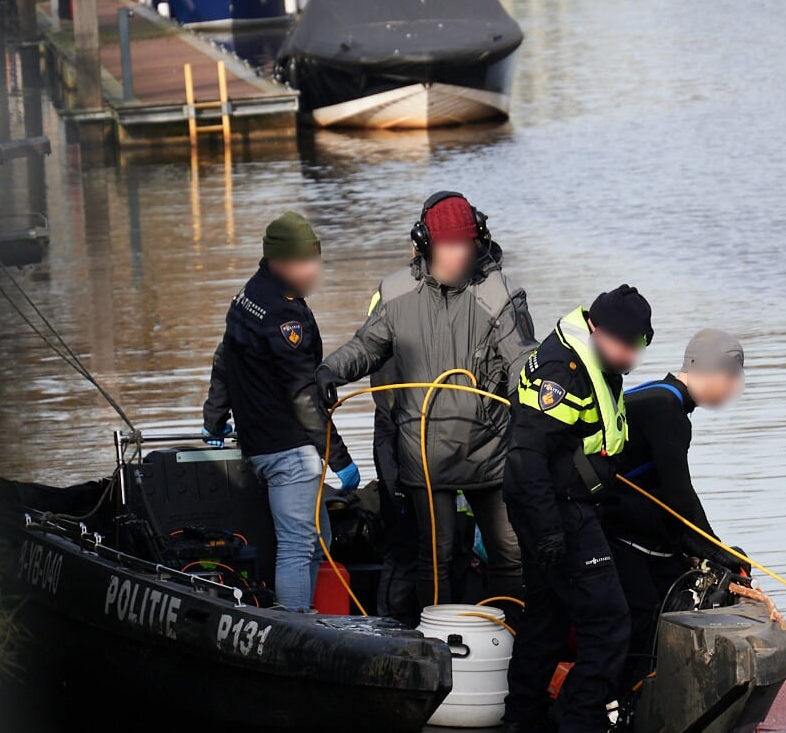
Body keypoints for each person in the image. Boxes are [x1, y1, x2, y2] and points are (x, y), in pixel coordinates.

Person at [321, 192, 536, 617]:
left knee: (510, 554)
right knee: (435, 559)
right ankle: (437, 646)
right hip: (423, 456)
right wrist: (330, 370)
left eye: (466, 244)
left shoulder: (500, 295)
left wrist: (533, 421)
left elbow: (522, 364)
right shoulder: (397, 292)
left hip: (490, 455)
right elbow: (367, 346)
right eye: (449, 245)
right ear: (425, 243)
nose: (459, 254)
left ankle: (510, 642)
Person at [498, 286, 653, 733]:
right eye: (623, 346)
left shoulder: (597, 362)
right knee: (609, 621)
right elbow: (526, 457)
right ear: (596, 330)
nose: (629, 356)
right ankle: (580, 725)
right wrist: (548, 531)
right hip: (553, 508)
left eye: (637, 348)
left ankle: (521, 726)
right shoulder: (561, 372)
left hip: (561, 503)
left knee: (545, 620)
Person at [201, 212, 356, 613]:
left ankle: (313, 616)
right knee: (298, 545)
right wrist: (340, 459)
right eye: (304, 262)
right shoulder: (283, 316)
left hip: (259, 444)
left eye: (314, 260)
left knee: (318, 536)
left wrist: (214, 419)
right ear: (279, 262)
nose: (312, 270)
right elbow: (303, 397)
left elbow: (224, 361)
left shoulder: (247, 296)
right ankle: (296, 627)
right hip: (290, 450)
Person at [603, 329, 749, 695]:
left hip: (621, 523)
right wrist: (720, 553)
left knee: (666, 588)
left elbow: (666, 498)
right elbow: (679, 496)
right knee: (643, 614)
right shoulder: (668, 413)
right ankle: (617, 703)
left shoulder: (654, 395)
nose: (735, 391)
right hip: (606, 528)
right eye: (733, 380)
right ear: (716, 375)